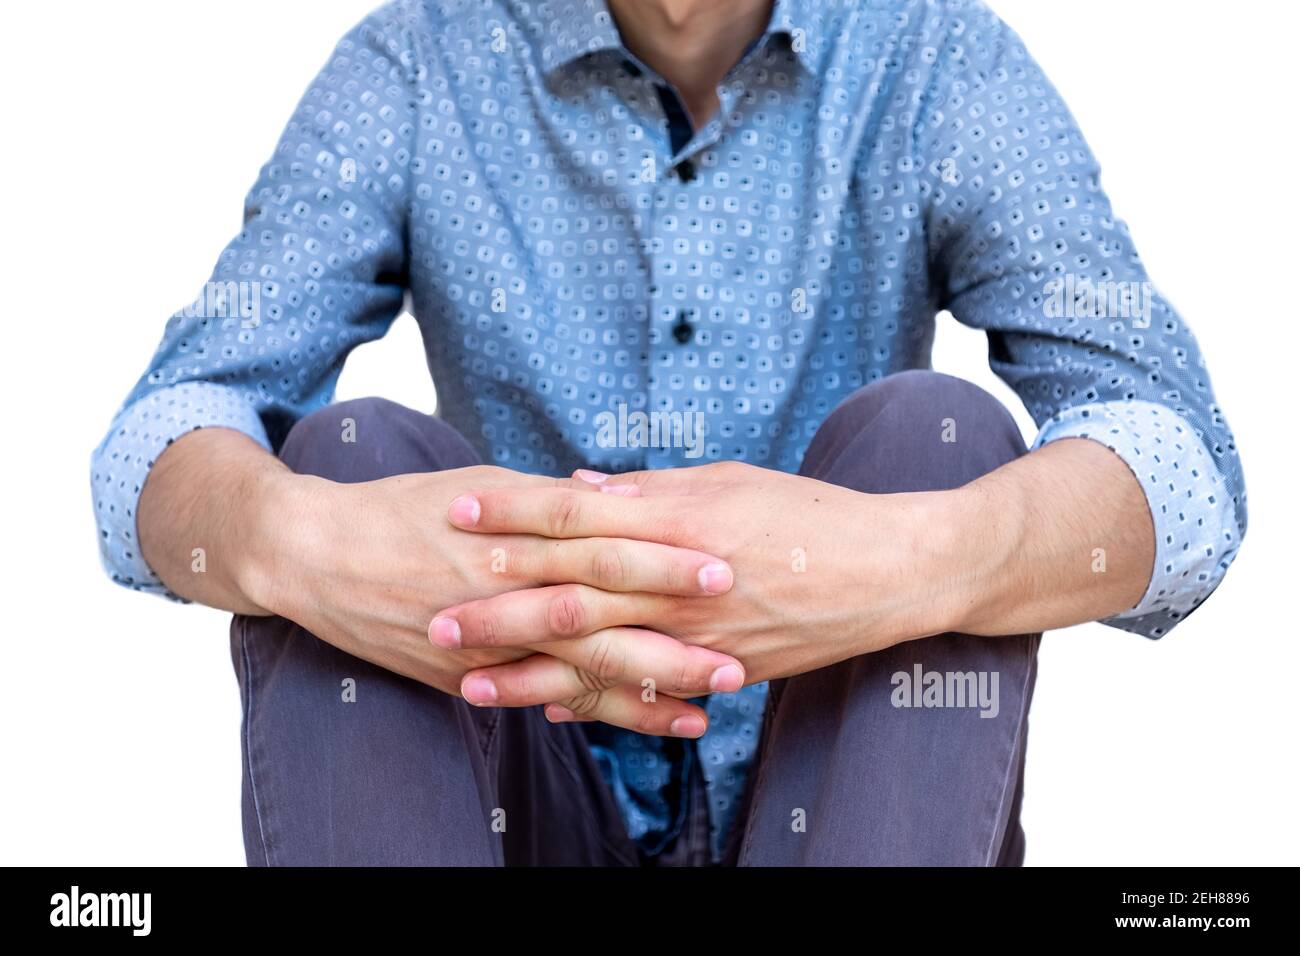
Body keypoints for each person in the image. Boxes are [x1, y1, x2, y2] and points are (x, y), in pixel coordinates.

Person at [91, 0, 1246, 866]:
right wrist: (302, 543)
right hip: (511, 785)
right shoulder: (423, 56)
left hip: (852, 795)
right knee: (346, 460)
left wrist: (896, 562)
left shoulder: (930, 53)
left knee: (933, 434)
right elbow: (157, 446)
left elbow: (1180, 469)